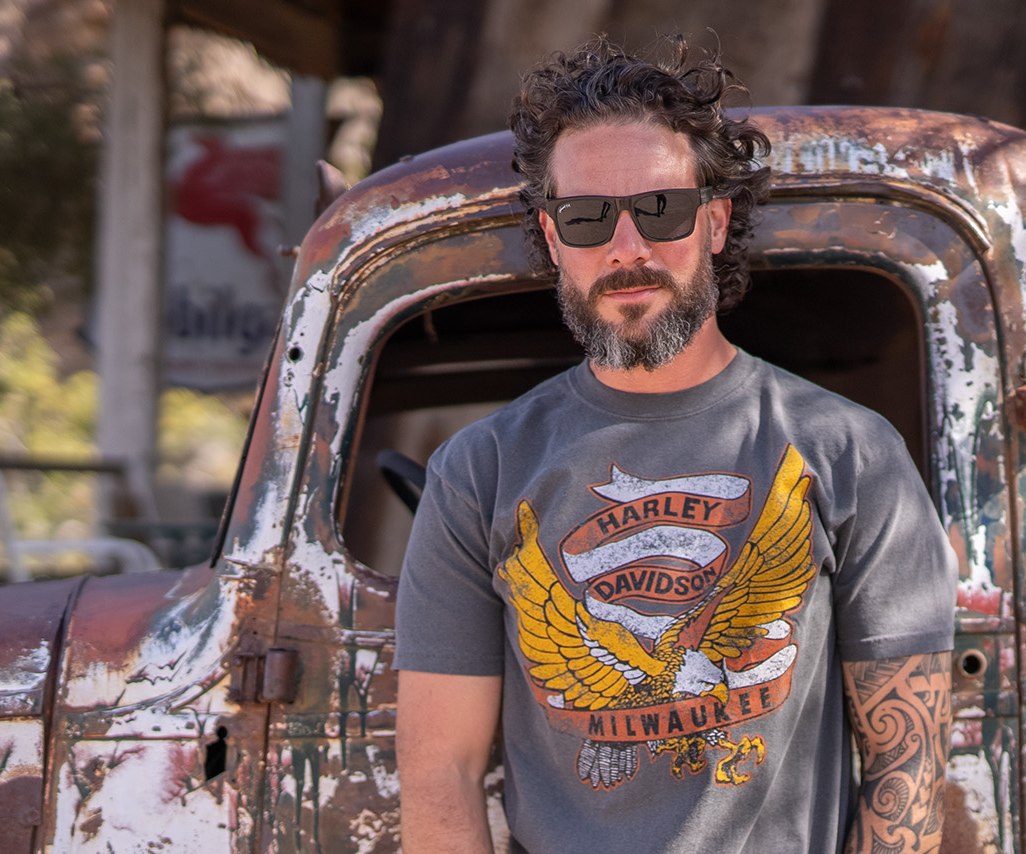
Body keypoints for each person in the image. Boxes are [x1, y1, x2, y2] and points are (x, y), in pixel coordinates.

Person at [393, 38, 957, 854]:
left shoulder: (849, 454)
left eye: (661, 210)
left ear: (716, 221)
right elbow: (441, 772)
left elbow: (906, 766)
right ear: (553, 240)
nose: (628, 249)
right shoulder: (480, 471)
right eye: (588, 218)